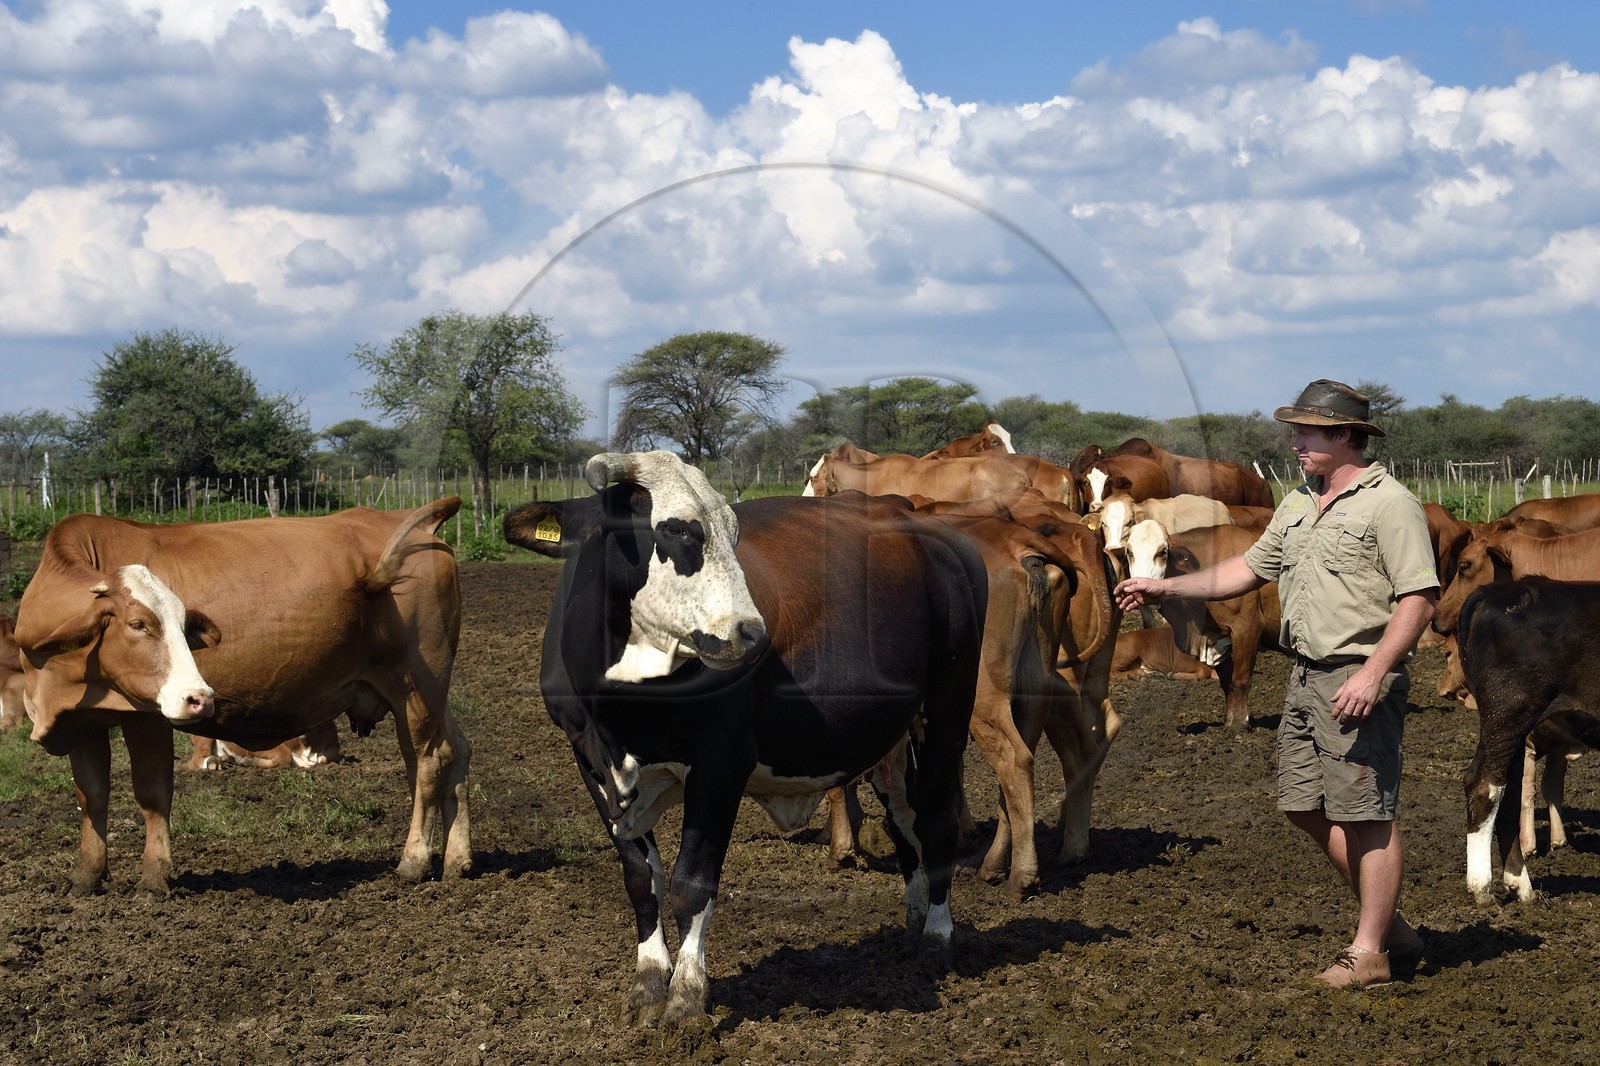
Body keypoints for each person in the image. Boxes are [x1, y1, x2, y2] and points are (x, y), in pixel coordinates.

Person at [1114, 379, 1438, 989]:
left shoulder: (1388, 503)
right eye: (1295, 431)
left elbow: (1418, 597)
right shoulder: (1298, 502)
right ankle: (1390, 924)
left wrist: (1374, 672)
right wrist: (1165, 588)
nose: (1294, 443)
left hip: (1357, 674)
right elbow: (1249, 568)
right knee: (1300, 804)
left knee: (1368, 814)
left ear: (1344, 436)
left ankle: (1370, 950)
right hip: (1305, 674)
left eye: (1306, 432)